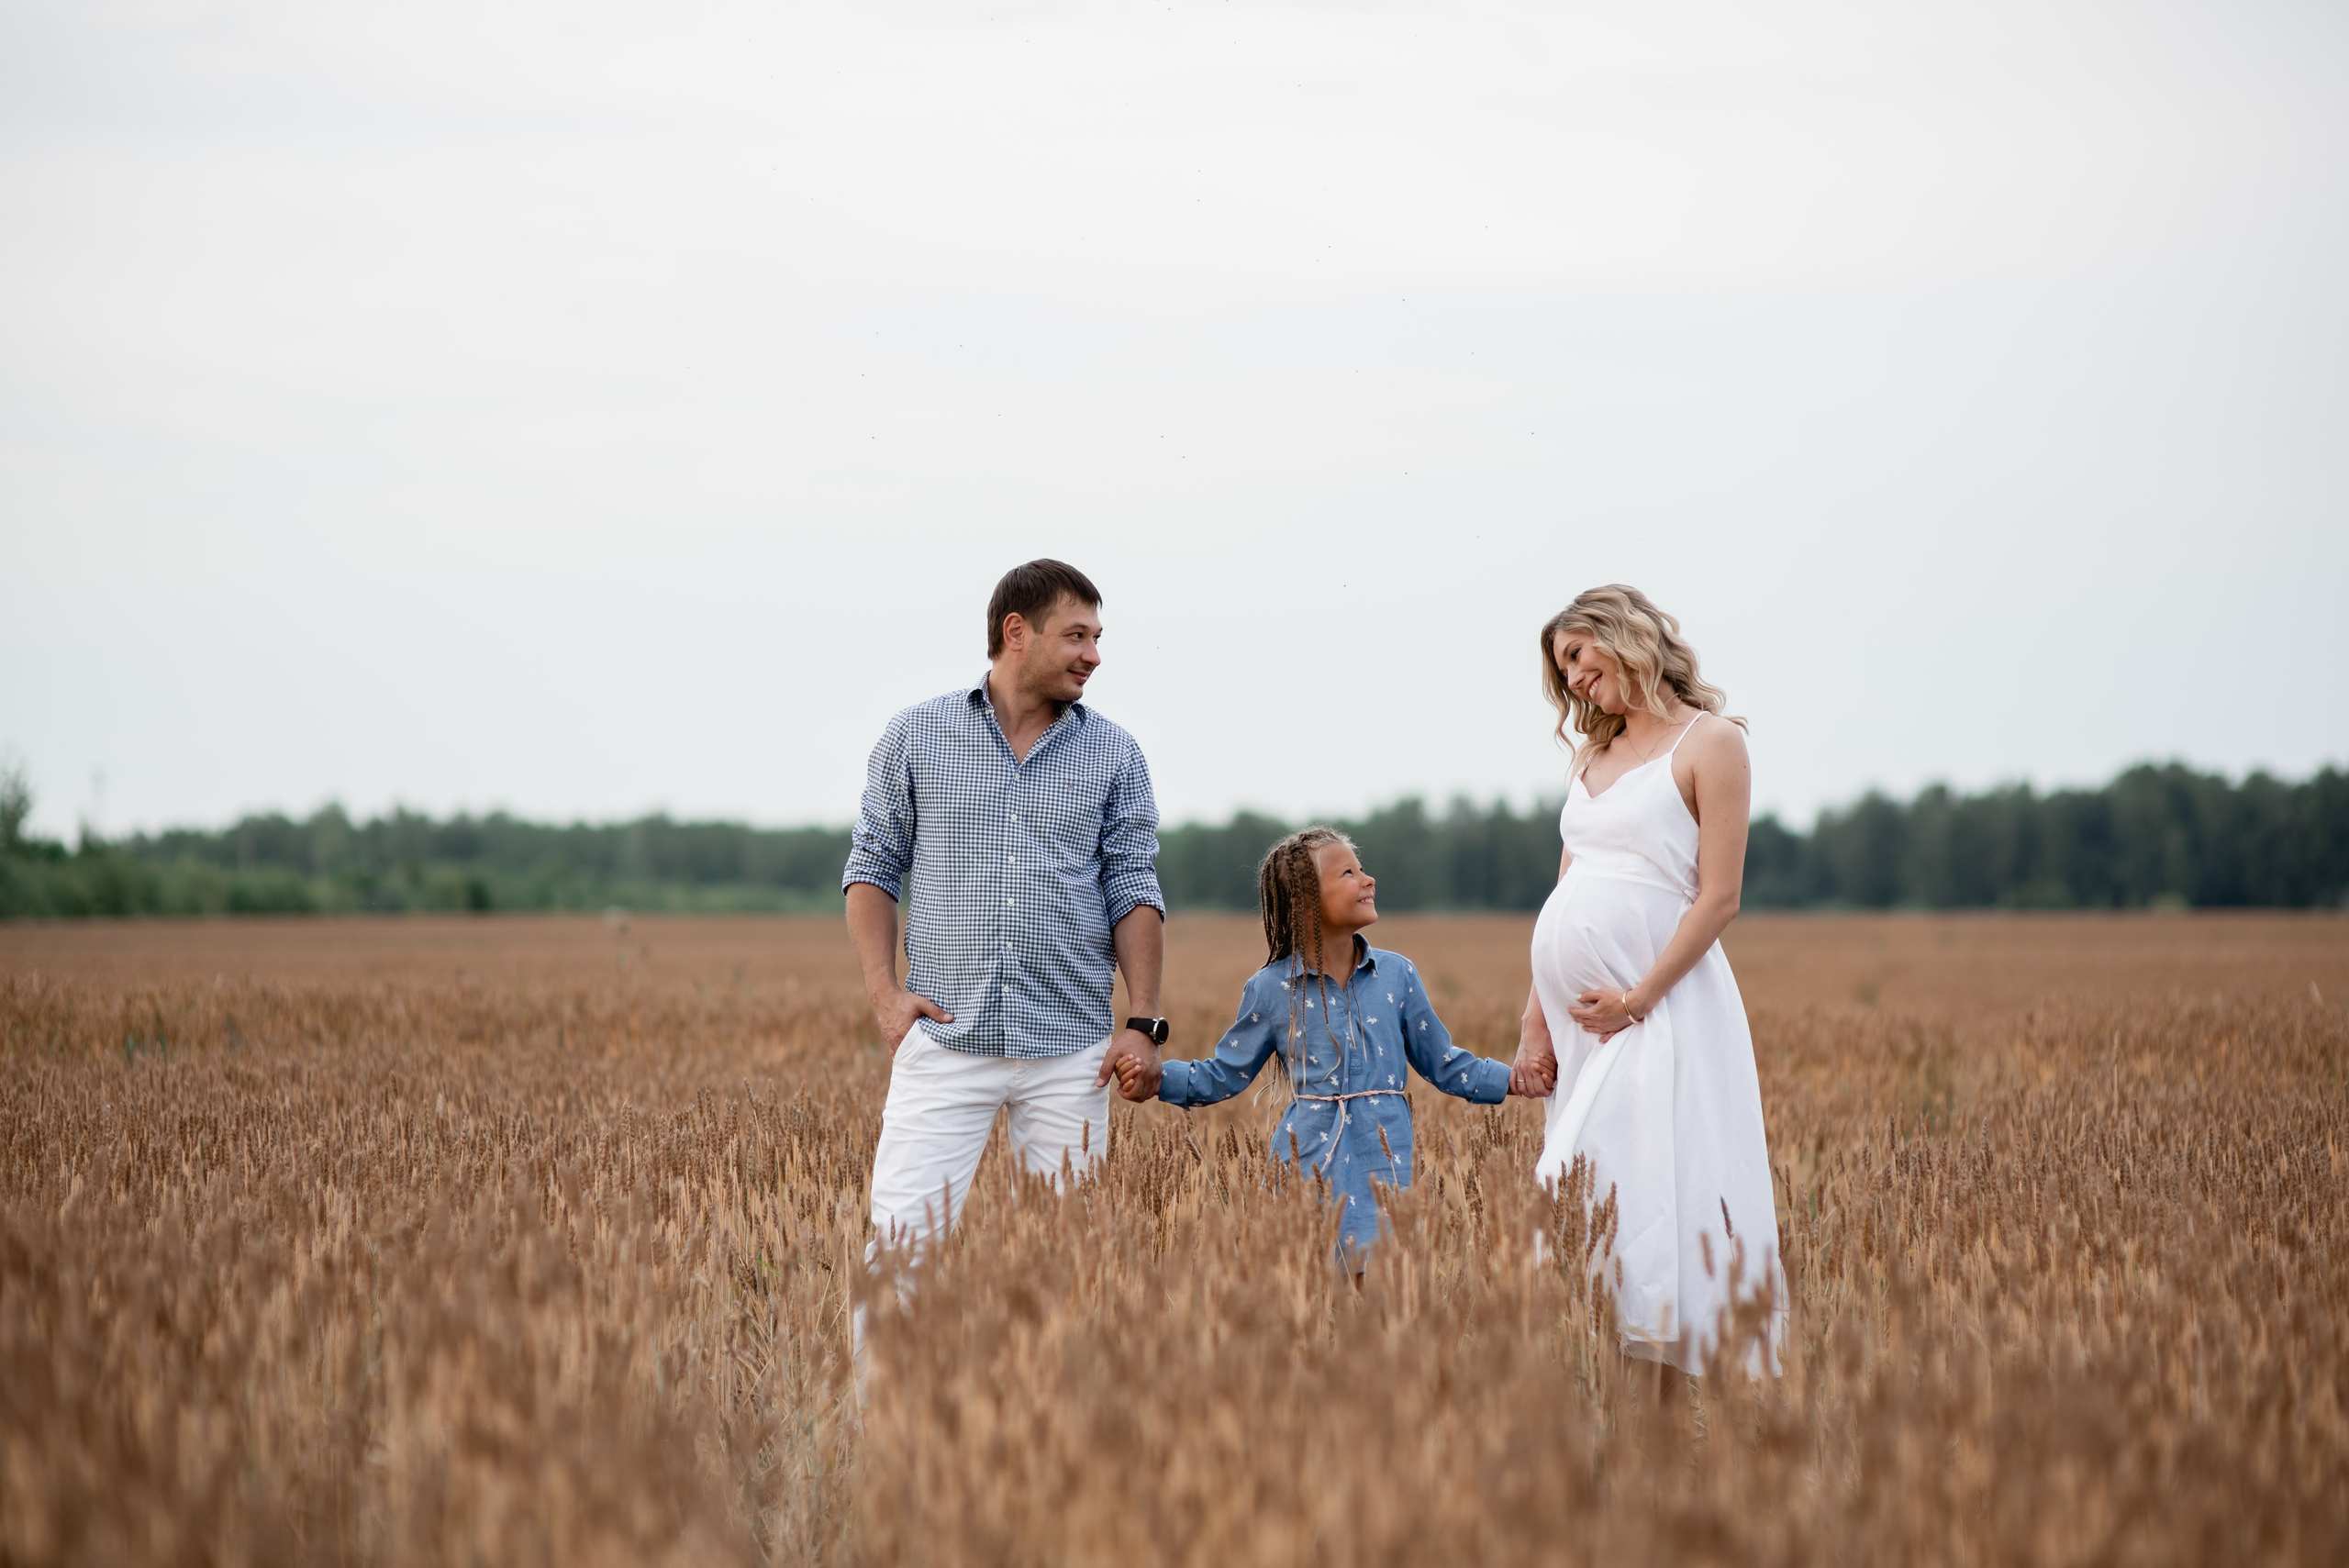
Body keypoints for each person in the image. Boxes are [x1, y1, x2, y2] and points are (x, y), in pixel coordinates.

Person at [842, 559, 1169, 1303]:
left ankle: (1043, 1420)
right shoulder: (917, 735)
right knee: (901, 1253)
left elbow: (1133, 885)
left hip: (1072, 1049)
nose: (1093, 654)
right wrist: (886, 995)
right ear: (1015, 633)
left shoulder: (1115, 752)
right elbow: (872, 867)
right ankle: (884, 1422)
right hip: (947, 1038)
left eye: (1097, 636)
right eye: (1076, 634)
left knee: (1066, 1268)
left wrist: (1144, 1020)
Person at [1511, 584, 1785, 1375]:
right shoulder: (1592, 758)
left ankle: (1669, 1388)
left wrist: (1639, 998)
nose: (1570, 680)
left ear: (1623, 636)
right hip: (1582, 1015)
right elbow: (1566, 888)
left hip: (1657, 1003)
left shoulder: (1712, 742)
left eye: (1575, 655)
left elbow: (1720, 895)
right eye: (1561, 670)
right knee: (1604, 1191)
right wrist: (1536, 1017)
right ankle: (1621, 1393)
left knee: (1656, 1172)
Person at [1119, 828, 1537, 1271]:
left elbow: (1443, 1061)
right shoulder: (1271, 988)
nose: (1368, 879)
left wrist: (1511, 1078)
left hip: (1384, 1157)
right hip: (1306, 1161)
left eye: (1362, 870)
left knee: (1381, 1287)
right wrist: (1156, 1079)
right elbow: (1223, 1074)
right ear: (1305, 901)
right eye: (1349, 873)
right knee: (1317, 1290)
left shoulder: (1398, 975)